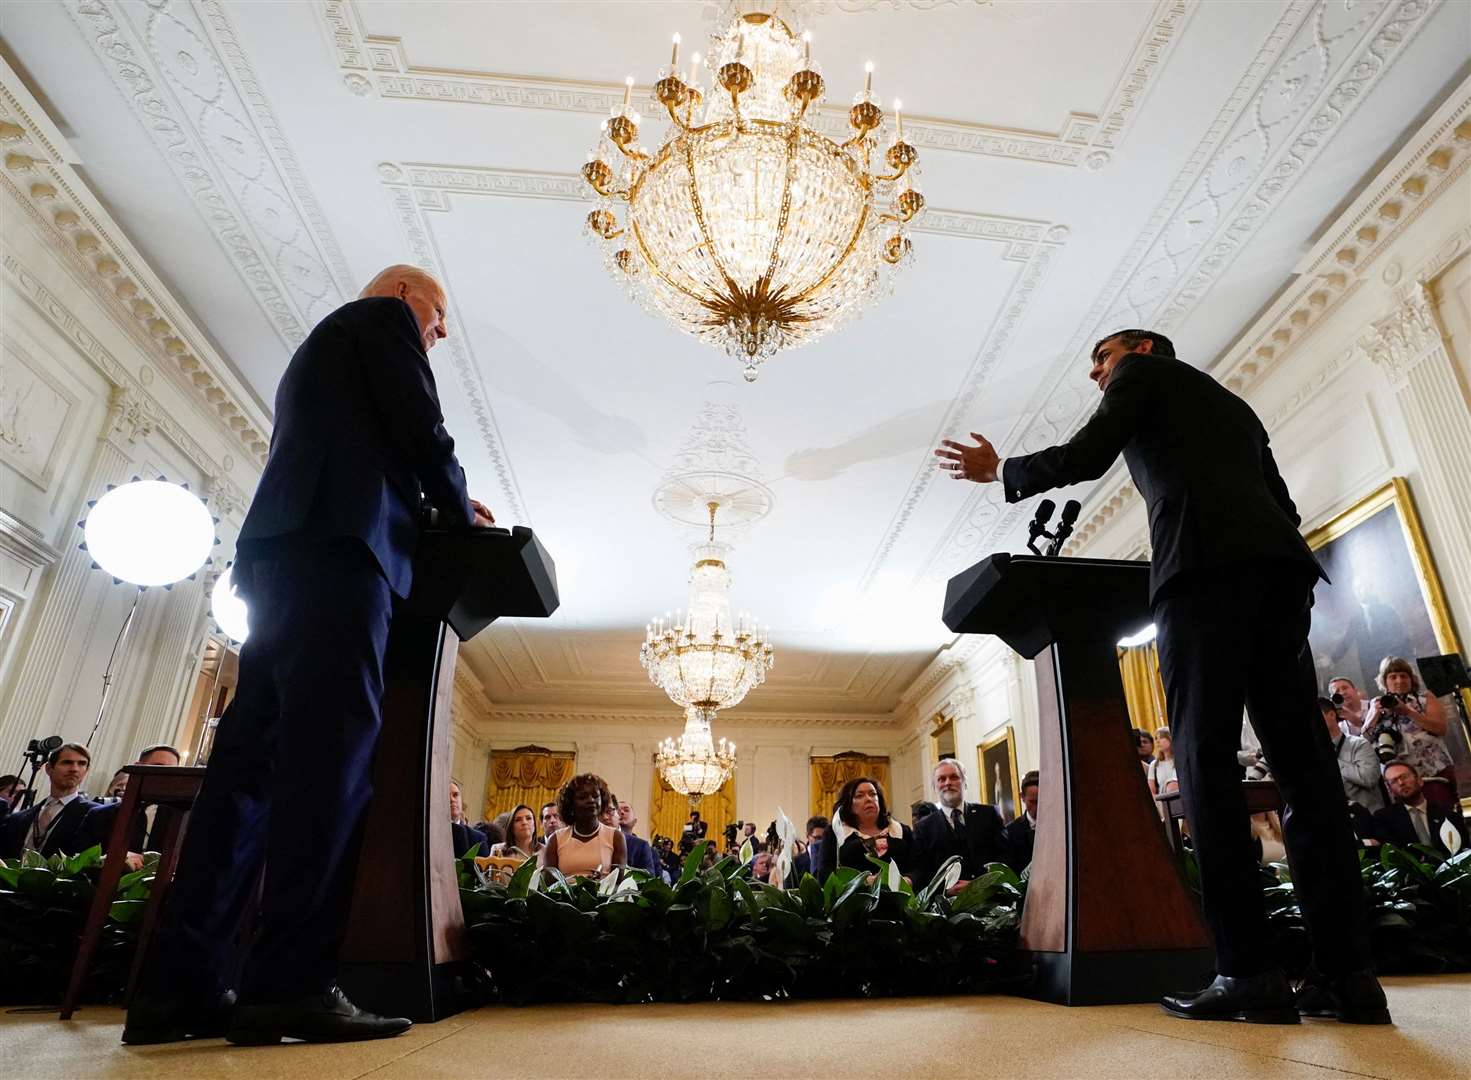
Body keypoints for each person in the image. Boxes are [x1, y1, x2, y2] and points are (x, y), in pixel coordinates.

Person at [935, 328, 1385, 1025]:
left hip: (1202, 576)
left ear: (1142, 348)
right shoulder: (1233, 406)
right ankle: (1347, 978)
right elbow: (1285, 510)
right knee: (1306, 777)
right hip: (1279, 577)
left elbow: (1085, 455)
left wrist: (1001, 470)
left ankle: (1247, 976)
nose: (1095, 375)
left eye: (1100, 360)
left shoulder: (1140, 377)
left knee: (1201, 765)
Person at [126, 265, 497, 1047]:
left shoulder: (319, 354)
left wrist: (430, 505)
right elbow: (419, 427)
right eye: (437, 316)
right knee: (329, 770)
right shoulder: (379, 322)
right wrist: (460, 508)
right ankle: (288, 987)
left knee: (246, 779)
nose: (440, 333)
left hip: (283, 560)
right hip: (340, 558)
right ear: (403, 296)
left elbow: (364, 445)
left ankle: (180, 992)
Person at [1362, 657, 1456, 814]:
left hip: (1434, 773)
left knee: (1444, 818)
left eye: (1403, 676)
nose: (1399, 681)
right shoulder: (1377, 703)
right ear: (1384, 681)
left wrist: (1408, 712)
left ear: (1411, 679)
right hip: (1399, 781)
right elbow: (1364, 741)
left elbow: (1440, 729)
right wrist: (1373, 715)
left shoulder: (1425, 698)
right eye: (1393, 677)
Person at [76, 745, 183, 871]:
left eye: (171, 771)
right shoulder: (99, 815)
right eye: (159, 766)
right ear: (138, 767)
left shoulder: (181, 820)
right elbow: (78, 859)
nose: (165, 775)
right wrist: (110, 859)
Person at [912, 758, 1009, 890]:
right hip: (946, 904)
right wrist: (945, 888)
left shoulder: (989, 814)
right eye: (941, 779)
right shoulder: (923, 828)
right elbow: (922, 870)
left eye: (954, 777)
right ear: (935, 787)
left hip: (989, 898)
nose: (948, 783)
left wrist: (979, 884)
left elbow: (1006, 857)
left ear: (964, 783)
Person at [0, 743, 97, 859]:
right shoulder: (19, 818)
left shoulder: (93, 814)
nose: (74, 769)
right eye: (67, 762)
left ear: (87, 770)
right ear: (49, 768)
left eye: (82, 764)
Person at [816, 776, 917, 883]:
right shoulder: (834, 832)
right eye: (859, 796)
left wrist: (908, 880)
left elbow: (919, 867)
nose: (868, 799)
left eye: (873, 794)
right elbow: (824, 874)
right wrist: (860, 882)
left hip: (899, 896)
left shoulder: (900, 831)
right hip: (853, 897)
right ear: (848, 803)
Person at [1372, 761, 1466, 857]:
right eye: (1394, 781)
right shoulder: (1384, 819)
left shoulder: (1447, 813)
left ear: (1420, 780)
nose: (1401, 783)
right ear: (1390, 790)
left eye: (1404, 777)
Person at [541, 773, 626, 879]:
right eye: (583, 797)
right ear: (571, 803)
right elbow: (548, 887)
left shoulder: (616, 837)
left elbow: (619, 884)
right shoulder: (555, 840)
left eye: (595, 796)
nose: (591, 800)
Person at [1319, 696, 1384, 817]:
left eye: (1315, 716)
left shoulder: (1359, 744)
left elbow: (1369, 778)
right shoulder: (1312, 753)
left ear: (1332, 715)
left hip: (1369, 818)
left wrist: (1330, 760)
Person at [614, 799, 660, 877]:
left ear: (634, 821)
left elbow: (656, 881)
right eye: (617, 810)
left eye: (626, 810)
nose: (621, 812)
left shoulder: (650, 851)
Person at [1004, 771, 1039, 871]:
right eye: (1032, 802)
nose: (1037, 807)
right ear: (1022, 797)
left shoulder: (1060, 826)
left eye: (1041, 801)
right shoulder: (1010, 832)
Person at [450, 782, 488, 859]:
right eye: (446, 796)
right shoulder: (429, 831)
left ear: (461, 800)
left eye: (455, 795)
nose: (452, 799)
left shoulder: (478, 839)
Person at [791, 816, 828, 881]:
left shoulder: (833, 861)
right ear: (807, 836)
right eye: (817, 838)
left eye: (825, 838)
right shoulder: (795, 863)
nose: (821, 842)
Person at [1148, 728, 1177, 797]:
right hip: (1165, 804)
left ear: (1170, 738)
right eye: (1156, 738)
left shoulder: (1181, 760)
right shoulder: (1154, 765)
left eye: (1161, 737)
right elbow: (1152, 792)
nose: (1157, 741)